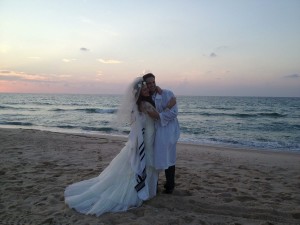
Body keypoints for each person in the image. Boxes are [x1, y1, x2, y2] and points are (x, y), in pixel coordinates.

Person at [64, 77, 175, 216]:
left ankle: (148, 190)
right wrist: (170, 105)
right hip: (146, 141)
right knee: (143, 166)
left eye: (148, 88)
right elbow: (158, 116)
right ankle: (142, 192)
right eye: (144, 89)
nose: (147, 90)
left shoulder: (141, 104)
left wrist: (160, 91)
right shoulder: (145, 105)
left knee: (141, 166)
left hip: (148, 138)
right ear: (139, 92)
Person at [143, 73, 180, 194]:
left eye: (153, 82)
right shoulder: (146, 97)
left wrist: (160, 115)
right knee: (155, 158)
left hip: (168, 131)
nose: (151, 85)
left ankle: (170, 186)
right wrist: (164, 111)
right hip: (155, 131)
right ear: (145, 85)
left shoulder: (167, 93)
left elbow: (174, 113)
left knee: (169, 158)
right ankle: (155, 185)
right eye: (148, 83)